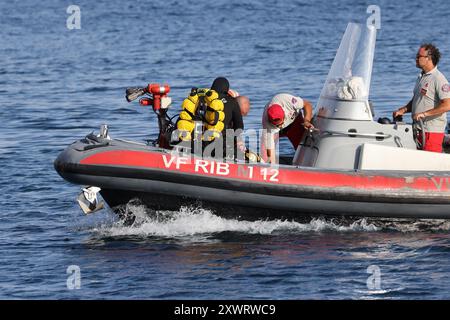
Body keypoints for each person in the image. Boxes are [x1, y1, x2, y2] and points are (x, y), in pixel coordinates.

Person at [393, 43, 450, 153]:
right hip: (418, 129)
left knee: (430, 166)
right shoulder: (421, 77)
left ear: (428, 58)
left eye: (419, 56)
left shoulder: (438, 79)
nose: (416, 58)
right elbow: (417, 99)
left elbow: (447, 105)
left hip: (432, 132)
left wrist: (424, 114)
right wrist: (403, 110)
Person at [261, 93, 314, 164]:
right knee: (266, 154)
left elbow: (307, 105)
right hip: (274, 131)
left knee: (302, 149)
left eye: (280, 124)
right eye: (277, 125)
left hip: (294, 122)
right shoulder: (267, 125)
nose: (280, 126)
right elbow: (270, 150)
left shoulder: (288, 101)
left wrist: (306, 121)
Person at [210, 77, 244, 158]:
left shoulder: (204, 99)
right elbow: (239, 126)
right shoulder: (232, 102)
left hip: (202, 142)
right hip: (224, 145)